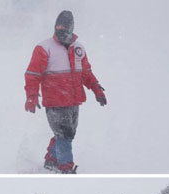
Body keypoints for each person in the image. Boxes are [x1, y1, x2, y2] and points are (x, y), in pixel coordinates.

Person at [24, 10, 107, 173]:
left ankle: (52, 159)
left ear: (71, 29)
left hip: (74, 100)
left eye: (64, 29)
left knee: (69, 134)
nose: (60, 32)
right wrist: (31, 96)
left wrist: (97, 90)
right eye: (58, 28)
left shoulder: (78, 49)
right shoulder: (44, 48)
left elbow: (86, 73)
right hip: (55, 101)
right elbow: (33, 75)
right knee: (64, 134)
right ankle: (65, 167)